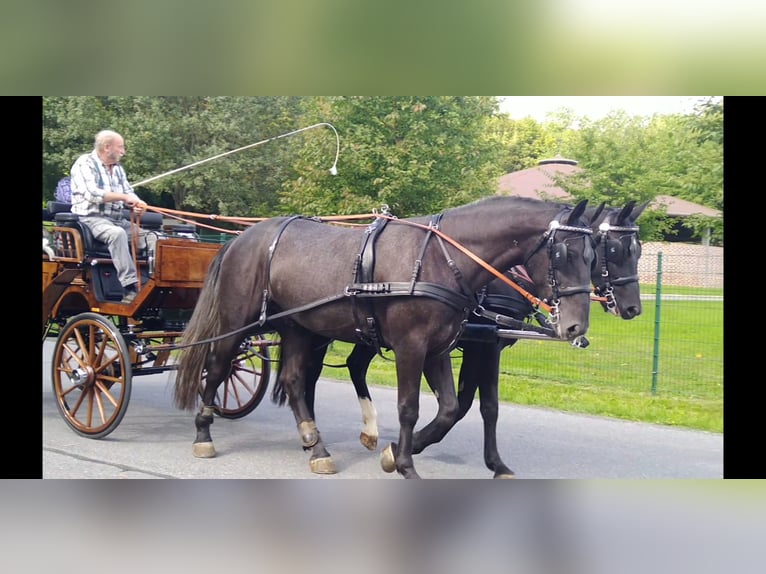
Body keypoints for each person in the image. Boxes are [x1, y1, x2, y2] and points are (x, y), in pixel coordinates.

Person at [70, 130, 154, 304]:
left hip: (118, 219)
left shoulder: (118, 170)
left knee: (154, 238)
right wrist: (124, 198)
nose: (123, 151)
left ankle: (154, 282)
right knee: (116, 234)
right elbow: (93, 194)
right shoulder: (84, 164)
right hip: (91, 219)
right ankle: (129, 286)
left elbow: (129, 192)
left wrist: (138, 204)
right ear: (107, 147)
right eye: (121, 147)